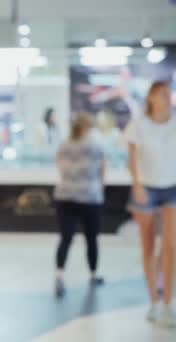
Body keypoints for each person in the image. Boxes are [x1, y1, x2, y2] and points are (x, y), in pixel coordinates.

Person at [124, 80, 176, 327]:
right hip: (146, 187)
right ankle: (153, 303)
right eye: (162, 94)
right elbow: (131, 157)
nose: (167, 98)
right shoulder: (139, 125)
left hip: (172, 188)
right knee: (147, 246)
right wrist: (136, 185)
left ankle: (167, 304)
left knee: (170, 246)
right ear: (152, 97)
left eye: (169, 93)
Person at [53, 113, 106, 297]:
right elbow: (102, 169)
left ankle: (59, 276)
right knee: (91, 238)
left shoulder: (64, 144)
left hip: (65, 195)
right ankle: (93, 275)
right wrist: (100, 188)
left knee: (65, 238)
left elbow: (58, 165)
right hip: (90, 197)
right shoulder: (95, 144)